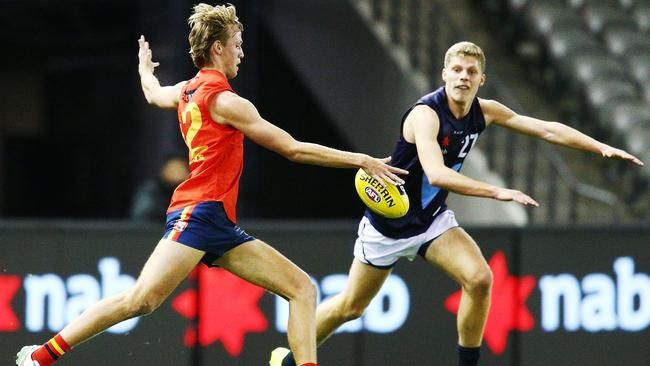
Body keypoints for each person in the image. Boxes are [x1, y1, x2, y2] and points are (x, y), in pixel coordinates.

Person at [15, 3, 407, 366]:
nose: (241, 53)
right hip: (198, 213)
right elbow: (292, 149)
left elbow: (153, 95)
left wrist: (144, 70)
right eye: (237, 45)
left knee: (302, 289)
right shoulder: (225, 101)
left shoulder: (185, 90)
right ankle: (40, 358)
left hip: (216, 221)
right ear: (218, 48)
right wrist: (361, 159)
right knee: (141, 300)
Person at [270, 41, 644, 366]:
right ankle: (287, 358)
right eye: (457, 69)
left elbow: (545, 127)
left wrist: (598, 146)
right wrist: (498, 192)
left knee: (480, 279)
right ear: (444, 74)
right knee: (351, 307)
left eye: (472, 71)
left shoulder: (486, 110)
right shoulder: (425, 115)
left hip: (431, 221)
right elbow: (436, 174)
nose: (463, 76)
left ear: (481, 80)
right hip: (389, 223)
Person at [129, 152, 189, 221]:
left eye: (182, 168)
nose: (178, 173)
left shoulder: (192, 189)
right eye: (174, 168)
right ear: (164, 170)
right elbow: (143, 216)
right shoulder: (151, 188)